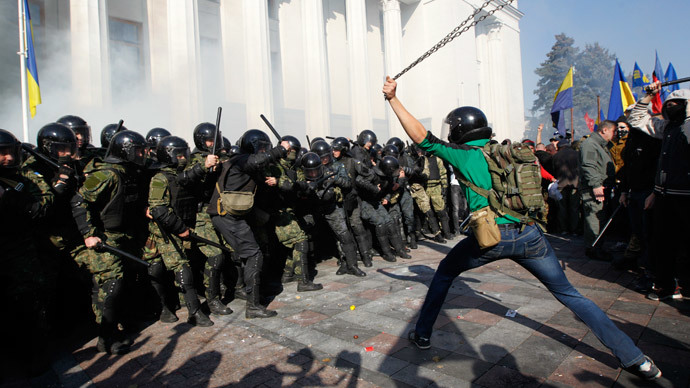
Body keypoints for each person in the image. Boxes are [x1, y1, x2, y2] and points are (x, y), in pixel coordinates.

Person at [382, 76, 662, 380]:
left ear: (459, 131)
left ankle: (422, 335)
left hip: (490, 238)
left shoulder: (466, 155)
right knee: (570, 294)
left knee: (445, 273)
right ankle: (636, 359)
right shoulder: (508, 152)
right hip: (530, 235)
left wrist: (393, 99)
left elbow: (422, 137)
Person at [208, 129, 289, 318]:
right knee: (254, 254)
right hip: (226, 215)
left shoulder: (242, 163)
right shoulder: (241, 160)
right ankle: (253, 306)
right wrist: (280, 149)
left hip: (231, 215)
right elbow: (257, 161)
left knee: (246, 253)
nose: (263, 152)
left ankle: (244, 290)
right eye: (261, 148)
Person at [628, 82, 689, 301]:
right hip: (665, 196)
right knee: (663, 243)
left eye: (676, 103)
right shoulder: (667, 128)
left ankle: (685, 285)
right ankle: (666, 285)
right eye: (668, 102)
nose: (670, 106)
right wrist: (648, 97)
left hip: (686, 197)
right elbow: (637, 120)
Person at [579, 120, 617, 260]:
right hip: (594, 188)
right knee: (595, 217)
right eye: (614, 131)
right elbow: (588, 165)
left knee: (598, 216)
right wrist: (595, 185)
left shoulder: (599, 145)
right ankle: (594, 248)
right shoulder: (590, 144)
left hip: (600, 186)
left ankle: (596, 246)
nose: (615, 134)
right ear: (604, 130)